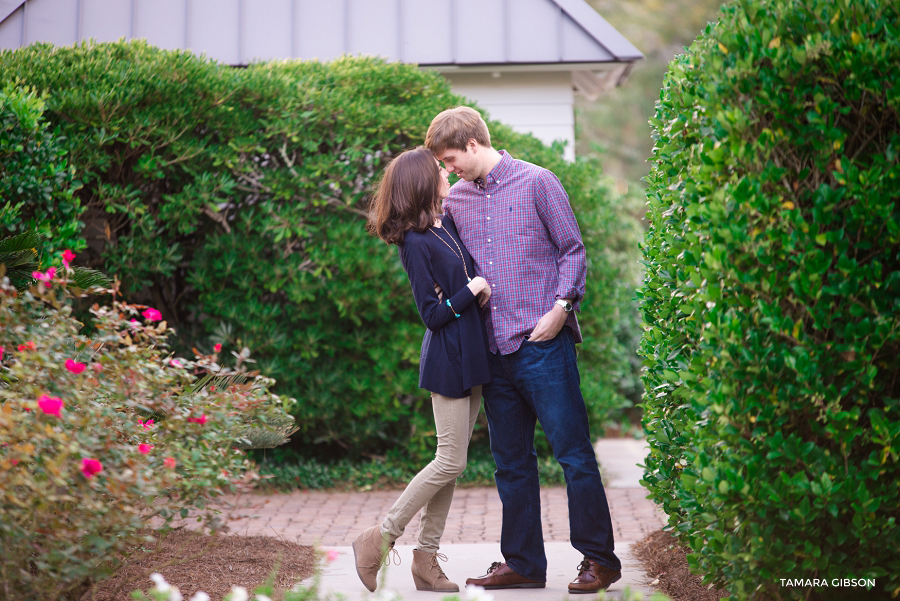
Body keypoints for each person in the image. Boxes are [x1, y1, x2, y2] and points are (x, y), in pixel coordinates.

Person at [424, 106, 623, 594]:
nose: (450, 171)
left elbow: (572, 248)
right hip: (492, 353)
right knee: (511, 464)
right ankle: (524, 564)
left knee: (573, 455)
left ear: (473, 144)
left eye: (452, 160)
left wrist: (562, 306)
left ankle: (600, 560)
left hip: (543, 345)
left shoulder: (538, 182)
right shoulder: (458, 203)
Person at [352, 146, 493, 593]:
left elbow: (459, 286)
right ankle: (379, 538)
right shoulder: (413, 243)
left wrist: (471, 290)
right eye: (438, 171)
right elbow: (431, 313)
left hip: (471, 353)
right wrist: (472, 290)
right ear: (420, 183)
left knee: (453, 465)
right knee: (449, 459)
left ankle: (426, 561)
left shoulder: (444, 223)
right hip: (448, 358)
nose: (446, 173)